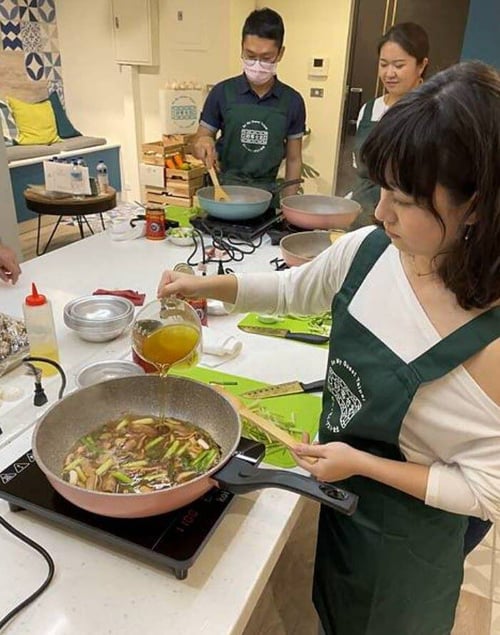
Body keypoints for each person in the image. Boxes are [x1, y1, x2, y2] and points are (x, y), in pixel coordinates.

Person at [158, 61, 500, 634]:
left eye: (408, 199)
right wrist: (207, 285)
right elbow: (295, 291)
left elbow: (486, 491)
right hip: (343, 499)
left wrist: (361, 464)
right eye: (383, 189)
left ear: (477, 206)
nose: (382, 211)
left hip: (410, 540)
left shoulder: (488, 344)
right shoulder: (369, 250)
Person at [192, 8, 306, 200]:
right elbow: (200, 140)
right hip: (223, 194)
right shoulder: (222, 92)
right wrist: (202, 142)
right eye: (250, 56)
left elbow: (294, 160)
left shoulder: (292, 101)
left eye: (266, 58)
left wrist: (289, 205)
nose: (257, 64)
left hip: (266, 198)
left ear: (280, 53)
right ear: (242, 48)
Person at [349, 22, 429, 229]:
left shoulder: (430, 113)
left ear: (421, 65)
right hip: (362, 216)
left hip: (403, 222)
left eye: (399, 65)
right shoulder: (368, 110)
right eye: (383, 64)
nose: (389, 73)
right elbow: (361, 175)